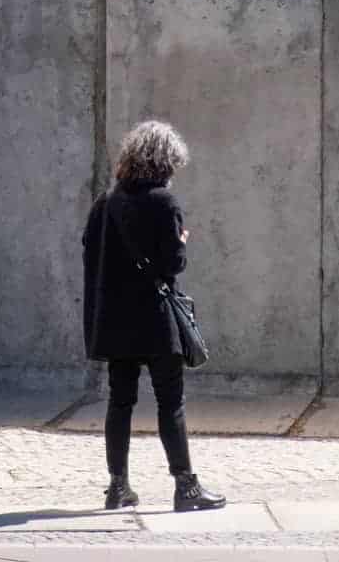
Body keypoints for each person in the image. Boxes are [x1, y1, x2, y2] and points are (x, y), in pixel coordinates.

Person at [82, 120, 226, 514]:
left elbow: (90, 252)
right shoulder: (164, 203)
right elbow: (173, 264)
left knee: (120, 401)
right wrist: (180, 242)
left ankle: (117, 487)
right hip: (157, 319)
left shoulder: (106, 203)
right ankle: (186, 487)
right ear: (164, 163)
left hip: (116, 321)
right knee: (170, 403)